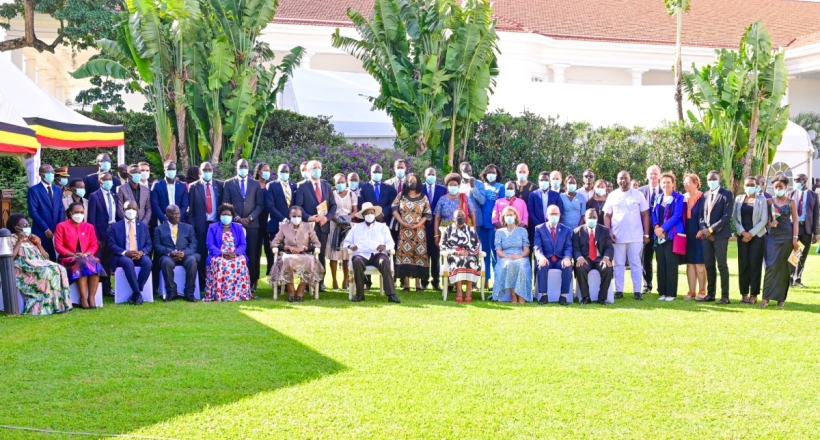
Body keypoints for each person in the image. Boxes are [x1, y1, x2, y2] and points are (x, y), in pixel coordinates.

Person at [7, 214, 72, 315]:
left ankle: (60, 305)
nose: (27, 227)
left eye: (28, 225)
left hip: (38, 265)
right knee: (47, 271)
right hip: (22, 269)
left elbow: (46, 257)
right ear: (16, 228)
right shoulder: (10, 239)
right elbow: (10, 258)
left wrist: (38, 244)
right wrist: (19, 241)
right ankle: (43, 307)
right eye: (24, 226)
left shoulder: (31, 239)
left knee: (60, 268)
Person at [603, 170, 650, 300]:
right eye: (620, 178)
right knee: (618, 263)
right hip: (617, 237)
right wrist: (609, 232)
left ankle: (637, 291)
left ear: (630, 180)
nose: (623, 181)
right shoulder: (612, 195)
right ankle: (619, 290)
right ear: (617, 181)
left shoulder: (638, 194)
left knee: (636, 263)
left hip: (635, 236)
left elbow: (645, 215)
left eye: (625, 178)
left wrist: (646, 235)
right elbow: (607, 216)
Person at [292, 160, 337, 291]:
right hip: (308, 226)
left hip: (323, 226)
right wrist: (309, 217)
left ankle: (320, 282)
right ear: (308, 170)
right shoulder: (302, 186)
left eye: (318, 167)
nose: (316, 170)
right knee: (307, 254)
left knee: (321, 255)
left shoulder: (326, 186)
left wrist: (327, 218)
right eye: (313, 168)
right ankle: (305, 283)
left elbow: (333, 205)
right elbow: (298, 206)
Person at [343, 202, 400, 303]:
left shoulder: (383, 227)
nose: (369, 215)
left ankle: (391, 295)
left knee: (384, 261)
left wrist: (385, 246)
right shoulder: (356, 227)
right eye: (367, 213)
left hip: (378, 254)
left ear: (375, 214)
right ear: (363, 215)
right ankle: (360, 294)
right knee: (357, 261)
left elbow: (391, 243)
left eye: (371, 212)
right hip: (361, 254)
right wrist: (351, 246)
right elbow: (346, 243)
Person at [223, 159, 264, 293]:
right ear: (237, 168)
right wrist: (237, 218)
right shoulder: (228, 184)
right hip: (235, 225)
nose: (243, 168)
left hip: (252, 225)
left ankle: (252, 281)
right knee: (236, 252)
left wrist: (250, 217)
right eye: (241, 166)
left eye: (245, 166)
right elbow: (226, 203)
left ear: (249, 168)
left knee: (252, 253)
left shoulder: (255, 184)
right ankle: (235, 280)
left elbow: (260, 204)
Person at [54, 202, 105, 309]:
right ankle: (83, 297)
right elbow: (58, 246)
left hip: (86, 257)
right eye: (76, 212)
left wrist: (86, 254)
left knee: (95, 262)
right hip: (67, 259)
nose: (79, 214)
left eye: (82, 212)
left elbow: (94, 245)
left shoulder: (89, 227)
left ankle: (91, 297)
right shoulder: (61, 226)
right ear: (70, 213)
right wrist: (73, 254)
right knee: (83, 262)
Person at [270, 206, 325, 302]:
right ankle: (291, 290)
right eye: (294, 216)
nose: (297, 218)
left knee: (310, 260)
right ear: (290, 216)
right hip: (288, 254)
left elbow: (317, 244)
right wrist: (287, 247)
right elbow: (274, 243)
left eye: (299, 216)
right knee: (286, 260)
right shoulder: (284, 227)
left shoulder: (308, 226)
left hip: (304, 254)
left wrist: (304, 248)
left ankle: (301, 290)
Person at [761, 176, 800, 308]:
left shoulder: (791, 202)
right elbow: (764, 220)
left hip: (788, 237)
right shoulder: (769, 201)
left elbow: (795, 221)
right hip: (772, 237)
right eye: (776, 187)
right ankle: (766, 297)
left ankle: (781, 299)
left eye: (780, 187)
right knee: (770, 266)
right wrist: (769, 224)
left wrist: (795, 238)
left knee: (785, 268)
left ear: (786, 188)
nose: (778, 189)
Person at [696, 170, 734, 304]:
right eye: (709, 179)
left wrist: (712, 230)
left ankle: (725, 296)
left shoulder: (727, 194)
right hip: (706, 236)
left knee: (722, 265)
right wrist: (704, 229)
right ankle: (710, 294)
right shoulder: (705, 195)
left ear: (719, 179)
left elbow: (726, 216)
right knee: (709, 265)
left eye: (714, 179)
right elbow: (700, 215)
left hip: (720, 235)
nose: (711, 181)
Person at [392, 173, 432, 291]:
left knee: (419, 255)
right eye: (410, 180)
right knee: (405, 255)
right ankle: (406, 284)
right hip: (404, 230)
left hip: (419, 231)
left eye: (414, 180)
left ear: (418, 182)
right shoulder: (401, 195)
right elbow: (394, 209)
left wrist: (419, 224)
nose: (412, 182)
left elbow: (428, 213)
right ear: (406, 182)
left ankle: (418, 284)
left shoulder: (423, 197)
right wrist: (402, 222)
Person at [188, 162, 224, 289]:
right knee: (201, 254)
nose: (207, 171)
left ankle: (217, 281)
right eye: (205, 169)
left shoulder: (220, 185)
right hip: (200, 226)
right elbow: (191, 210)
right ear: (200, 172)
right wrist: (193, 227)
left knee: (217, 253)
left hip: (216, 225)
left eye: (210, 169)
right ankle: (202, 283)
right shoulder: (193, 187)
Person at [204, 203, 251, 302]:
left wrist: (235, 253)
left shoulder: (238, 227)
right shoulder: (213, 227)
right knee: (221, 263)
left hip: (235, 253)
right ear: (220, 215)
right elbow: (210, 244)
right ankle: (220, 294)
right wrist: (222, 254)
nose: (226, 217)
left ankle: (238, 294)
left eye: (229, 215)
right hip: (218, 254)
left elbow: (243, 244)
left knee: (240, 261)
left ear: (232, 216)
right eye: (224, 215)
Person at [109, 201, 152, 305]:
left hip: (139, 254)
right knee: (128, 263)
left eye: (133, 209)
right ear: (123, 211)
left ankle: (136, 292)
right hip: (123, 256)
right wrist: (125, 252)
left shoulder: (143, 226)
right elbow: (111, 244)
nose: (131, 211)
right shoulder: (115, 226)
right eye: (128, 209)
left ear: (137, 211)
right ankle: (138, 293)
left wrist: (141, 252)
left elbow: (149, 244)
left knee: (148, 262)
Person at [154, 205, 200, 302]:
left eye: (178, 213)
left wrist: (184, 253)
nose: (177, 216)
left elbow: (193, 244)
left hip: (186, 255)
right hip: (169, 256)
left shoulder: (188, 227)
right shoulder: (159, 229)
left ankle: (189, 293)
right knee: (166, 262)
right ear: (167, 215)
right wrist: (170, 252)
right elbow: (157, 246)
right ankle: (171, 292)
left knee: (192, 260)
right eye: (174, 214)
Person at [734, 176, 768, 304]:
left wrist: (751, 234)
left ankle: (754, 294)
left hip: (757, 236)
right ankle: (744, 293)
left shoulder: (762, 200)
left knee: (755, 264)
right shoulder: (738, 199)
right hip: (742, 236)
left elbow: (764, 220)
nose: (750, 187)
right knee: (743, 265)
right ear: (744, 186)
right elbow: (735, 218)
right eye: (748, 184)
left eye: (752, 184)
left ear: (756, 186)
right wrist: (743, 232)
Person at [652, 172, 685, 301]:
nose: (666, 185)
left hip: (672, 235)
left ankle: (671, 293)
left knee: (671, 263)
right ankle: (662, 292)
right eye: (663, 182)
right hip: (659, 235)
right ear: (660, 184)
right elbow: (653, 213)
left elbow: (676, 216)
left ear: (673, 184)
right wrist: (656, 227)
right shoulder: (657, 198)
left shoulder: (678, 198)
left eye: (668, 183)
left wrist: (662, 228)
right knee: (660, 263)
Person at [87, 172, 120, 297]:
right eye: (105, 179)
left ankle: (107, 287)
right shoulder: (94, 196)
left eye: (110, 179)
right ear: (99, 181)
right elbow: (92, 219)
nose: (108, 181)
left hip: (113, 230)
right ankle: (97, 288)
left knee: (109, 261)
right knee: (99, 260)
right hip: (101, 232)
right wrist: (95, 237)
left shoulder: (113, 195)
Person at [572, 209, 614, 305]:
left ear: (597, 218)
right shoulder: (577, 231)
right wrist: (579, 258)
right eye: (590, 217)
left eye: (594, 217)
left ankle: (602, 298)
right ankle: (585, 297)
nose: (592, 219)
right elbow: (576, 248)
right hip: (585, 258)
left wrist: (606, 257)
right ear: (585, 219)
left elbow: (609, 247)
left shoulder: (604, 230)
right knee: (581, 268)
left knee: (607, 268)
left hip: (600, 258)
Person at [533, 205, 573, 305]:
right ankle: (544, 295)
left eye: (556, 214)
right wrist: (541, 257)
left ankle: (563, 296)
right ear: (547, 215)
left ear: (560, 215)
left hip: (560, 259)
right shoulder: (539, 228)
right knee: (541, 266)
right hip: (546, 258)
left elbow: (568, 246)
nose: (554, 216)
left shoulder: (566, 229)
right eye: (552, 214)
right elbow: (537, 246)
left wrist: (567, 257)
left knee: (568, 266)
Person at [439, 209, 482, 302]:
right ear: (453, 218)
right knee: (458, 261)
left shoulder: (471, 230)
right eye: (458, 216)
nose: (461, 217)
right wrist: (454, 252)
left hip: (469, 254)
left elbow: (478, 245)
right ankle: (459, 291)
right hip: (454, 256)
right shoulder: (448, 230)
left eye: (462, 215)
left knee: (470, 261)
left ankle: (468, 292)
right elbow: (442, 246)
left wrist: (468, 252)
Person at [493, 206, 532, 303]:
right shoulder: (499, 232)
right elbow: (498, 250)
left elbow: (527, 250)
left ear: (515, 216)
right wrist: (508, 257)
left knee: (520, 264)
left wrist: (519, 256)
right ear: (503, 217)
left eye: (511, 215)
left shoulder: (522, 231)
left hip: (520, 256)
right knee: (510, 264)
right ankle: (513, 294)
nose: (509, 217)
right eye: (507, 215)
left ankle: (521, 294)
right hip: (505, 257)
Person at [327, 173, 358, 290]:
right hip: (334, 225)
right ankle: (334, 280)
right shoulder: (332, 194)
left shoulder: (351, 194)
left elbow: (355, 210)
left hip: (348, 227)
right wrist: (339, 221)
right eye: (338, 183)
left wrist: (347, 220)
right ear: (335, 184)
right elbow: (330, 210)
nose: (340, 184)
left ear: (346, 182)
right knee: (334, 255)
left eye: (342, 182)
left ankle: (345, 280)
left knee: (346, 255)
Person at [27, 164, 64, 261]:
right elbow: (33, 212)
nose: (51, 174)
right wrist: (45, 229)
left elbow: (61, 209)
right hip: (41, 231)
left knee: (56, 259)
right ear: (41, 174)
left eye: (52, 172)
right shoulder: (33, 190)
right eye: (48, 172)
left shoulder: (58, 189)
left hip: (57, 231)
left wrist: (59, 227)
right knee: (43, 258)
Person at [788, 173, 818, 287]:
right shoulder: (791, 194)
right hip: (794, 227)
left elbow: (816, 215)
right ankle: (790, 279)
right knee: (794, 253)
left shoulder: (813, 195)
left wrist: (816, 233)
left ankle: (797, 279)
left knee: (802, 254)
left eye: (798, 180)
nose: (796, 183)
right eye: (795, 180)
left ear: (804, 181)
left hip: (807, 228)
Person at [422, 167, 447, 290]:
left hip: (438, 228)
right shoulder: (419, 189)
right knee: (423, 255)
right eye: (429, 174)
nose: (431, 176)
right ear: (425, 175)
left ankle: (436, 281)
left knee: (436, 256)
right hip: (422, 227)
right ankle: (423, 281)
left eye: (433, 174)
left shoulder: (443, 190)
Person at [477, 165, 503, 285]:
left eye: (494, 172)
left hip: (494, 225)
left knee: (494, 254)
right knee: (484, 252)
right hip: (482, 224)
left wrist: (499, 223)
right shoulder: (482, 186)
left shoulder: (500, 187)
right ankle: (485, 279)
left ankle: (497, 281)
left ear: (497, 175)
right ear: (485, 173)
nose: (491, 174)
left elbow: (502, 206)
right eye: (489, 172)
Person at [682, 173, 706, 300]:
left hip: (700, 234)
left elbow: (706, 215)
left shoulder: (703, 197)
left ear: (696, 184)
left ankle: (702, 291)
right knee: (690, 263)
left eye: (689, 182)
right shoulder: (683, 198)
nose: (686, 185)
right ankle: (691, 291)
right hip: (687, 235)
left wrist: (702, 230)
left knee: (699, 264)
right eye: (685, 182)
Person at [434, 174, 478, 242]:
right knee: (447, 252)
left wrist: (474, 233)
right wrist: (436, 235)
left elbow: (472, 215)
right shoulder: (442, 199)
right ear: (447, 186)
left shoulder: (465, 198)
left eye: (455, 185)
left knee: (462, 252)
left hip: (464, 233)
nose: (453, 187)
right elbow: (437, 218)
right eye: (450, 185)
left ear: (459, 186)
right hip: (446, 233)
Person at [638, 165, 661, 295]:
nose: (653, 176)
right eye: (651, 174)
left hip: (661, 231)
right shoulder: (640, 191)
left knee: (661, 259)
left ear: (659, 175)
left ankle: (662, 286)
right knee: (646, 259)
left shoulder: (665, 190)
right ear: (647, 175)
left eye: (655, 174)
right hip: (645, 231)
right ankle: (647, 285)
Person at [265, 164, 296, 246]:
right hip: (276, 225)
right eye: (282, 171)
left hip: (291, 226)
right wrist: (284, 219)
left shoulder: (294, 186)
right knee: (275, 253)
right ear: (278, 173)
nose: (284, 173)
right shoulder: (271, 185)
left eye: (286, 171)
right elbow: (270, 206)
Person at [151, 160, 189, 226]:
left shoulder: (182, 186)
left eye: (173, 169)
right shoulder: (157, 185)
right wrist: (163, 219)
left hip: (179, 221)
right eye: (169, 169)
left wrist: (178, 217)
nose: (171, 171)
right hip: (163, 221)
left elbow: (184, 205)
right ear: (164, 170)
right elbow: (155, 205)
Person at [254, 162, 275, 278]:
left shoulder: (270, 185)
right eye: (265, 170)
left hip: (269, 222)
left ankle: (272, 275)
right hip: (256, 221)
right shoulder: (253, 185)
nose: (267, 172)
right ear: (259, 172)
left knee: (270, 250)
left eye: (269, 170)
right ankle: (254, 278)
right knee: (256, 251)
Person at [457, 161, 486, 229]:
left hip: (475, 220)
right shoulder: (458, 185)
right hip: (461, 220)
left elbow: (482, 201)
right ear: (461, 172)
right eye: (466, 171)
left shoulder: (479, 184)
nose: (468, 173)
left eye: (470, 171)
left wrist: (473, 187)